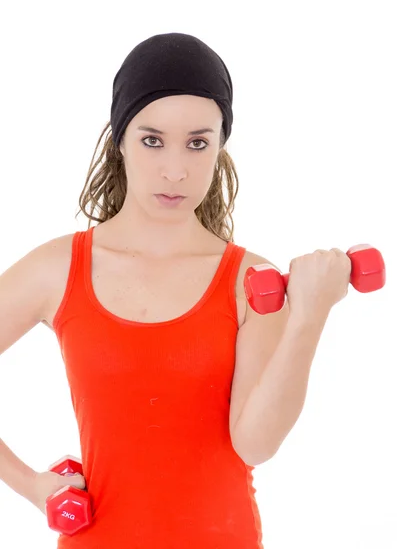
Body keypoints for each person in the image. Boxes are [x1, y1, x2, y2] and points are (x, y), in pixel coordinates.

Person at [0, 32, 351, 548]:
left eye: (197, 142)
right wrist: (30, 485)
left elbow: (255, 443)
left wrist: (309, 317)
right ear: (119, 138)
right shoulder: (58, 269)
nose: (175, 169)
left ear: (219, 146)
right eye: (151, 139)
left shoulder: (249, 282)